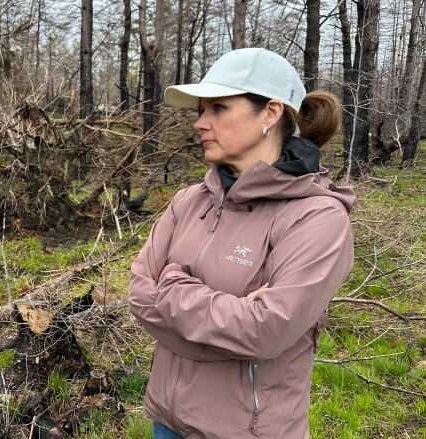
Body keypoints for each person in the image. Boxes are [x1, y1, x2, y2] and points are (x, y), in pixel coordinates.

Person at [128, 48, 355, 439]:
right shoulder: (189, 200)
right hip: (166, 420)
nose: (200, 123)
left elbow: (266, 332)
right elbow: (138, 296)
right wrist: (230, 316)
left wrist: (173, 286)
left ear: (270, 113)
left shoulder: (316, 217)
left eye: (217, 108)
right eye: (201, 110)